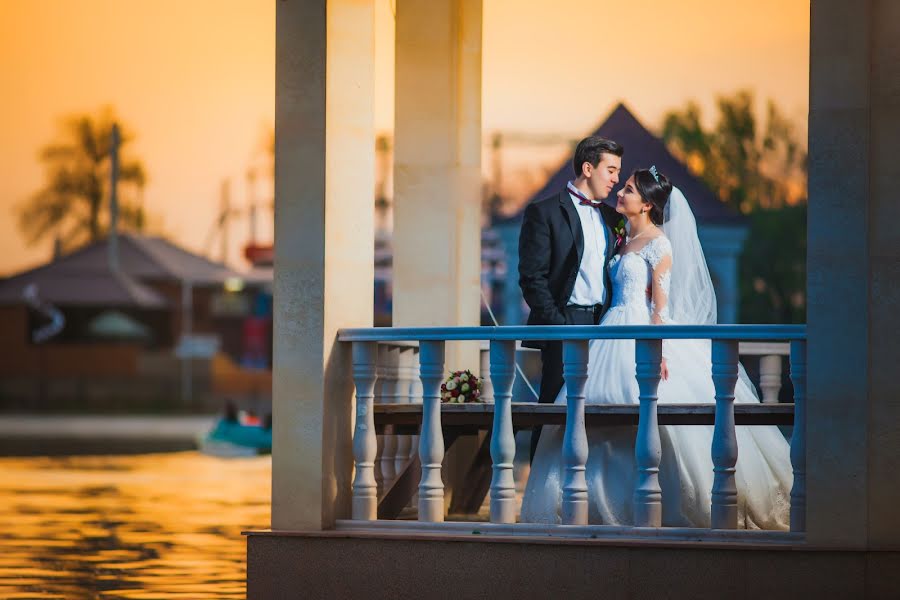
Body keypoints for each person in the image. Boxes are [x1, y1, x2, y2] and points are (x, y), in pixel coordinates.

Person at [520, 167, 792, 529]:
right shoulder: (623, 238)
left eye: (629, 189)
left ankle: (652, 501)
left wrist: (657, 350)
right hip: (610, 331)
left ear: (647, 204)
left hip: (640, 330)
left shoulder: (659, 243)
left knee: (645, 412)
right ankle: (587, 502)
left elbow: (661, 307)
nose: (620, 192)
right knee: (588, 410)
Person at [518, 136, 625, 461]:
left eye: (618, 171)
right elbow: (531, 279)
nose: (616, 179)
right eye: (611, 170)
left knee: (602, 412)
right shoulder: (544, 212)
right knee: (554, 411)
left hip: (607, 327)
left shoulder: (612, 218)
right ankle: (541, 500)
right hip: (564, 324)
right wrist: (559, 326)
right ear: (588, 167)